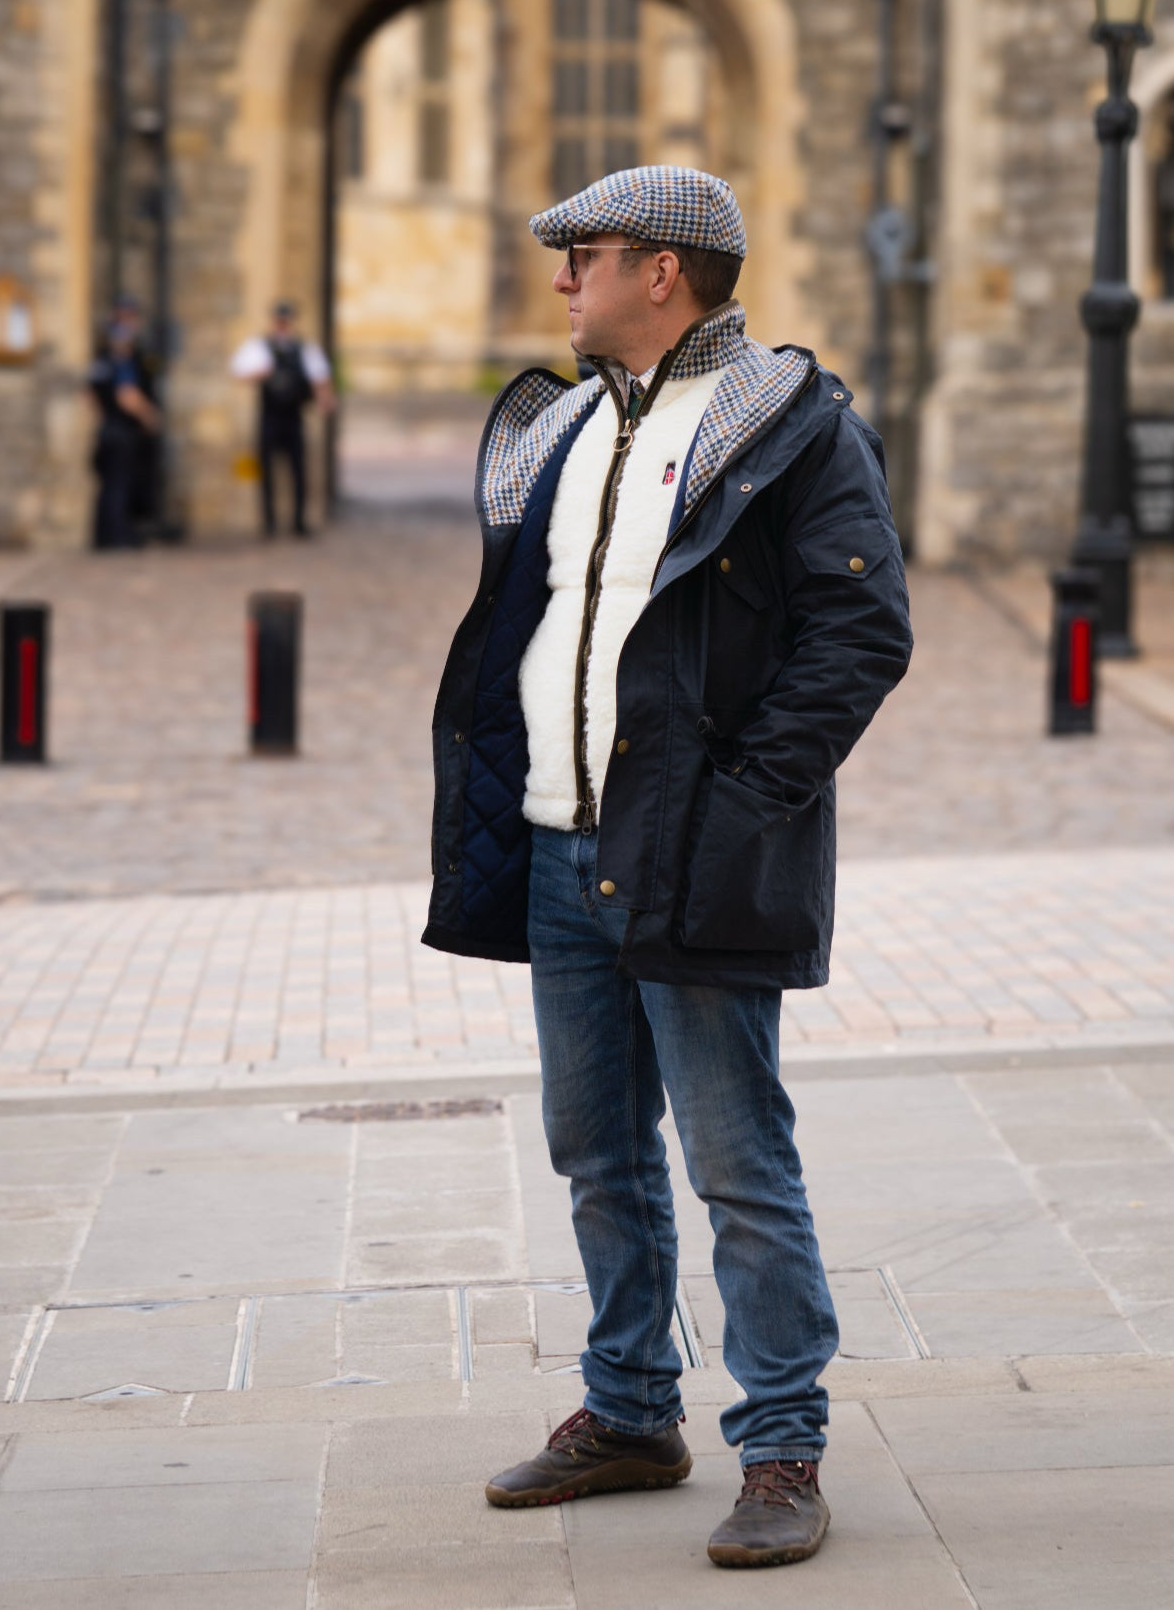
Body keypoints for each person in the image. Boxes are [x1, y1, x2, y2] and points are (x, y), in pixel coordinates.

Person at [423, 166, 913, 1568]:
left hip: (695, 853)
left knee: (735, 1159)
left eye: (586, 255)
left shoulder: (792, 427)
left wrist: (743, 805)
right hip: (558, 846)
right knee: (595, 1152)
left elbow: (860, 636)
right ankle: (633, 1411)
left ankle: (782, 1449)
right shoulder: (569, 423)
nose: (562, 278)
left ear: (666, 271)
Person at [230, 301, 336, 537]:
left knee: (298, 469)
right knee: (266, 469)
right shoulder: (260, 347)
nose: (283, 326)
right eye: (280, 321)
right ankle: (269, 522)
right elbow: (238, 371)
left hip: (293, 415)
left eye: (286, 321)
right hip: (270, 415)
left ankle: (298, 520)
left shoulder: (304, 348)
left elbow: (320, 377)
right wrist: (259, 373)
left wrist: (325, 399)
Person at [87, 296, 162, 549]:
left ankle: (104, 537)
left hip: (108, 428)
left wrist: (104, 418)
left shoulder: (101, 359)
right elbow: (127, 395)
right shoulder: (121, 359)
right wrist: (149, 415)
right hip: (121, 430)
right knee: (119, 484)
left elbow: (90, 394)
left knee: (109, 484)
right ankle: (118, 537)